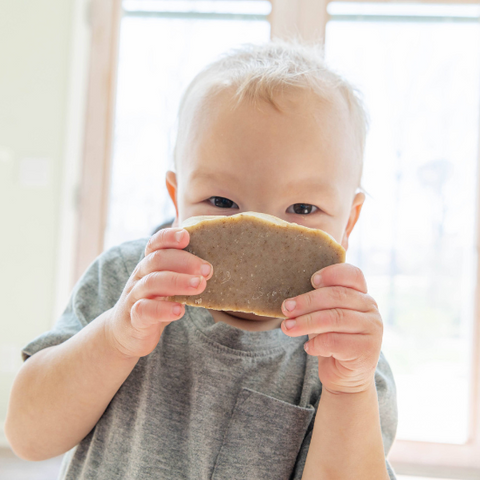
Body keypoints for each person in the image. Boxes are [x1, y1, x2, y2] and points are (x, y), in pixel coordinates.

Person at [5, 39, 397, 479]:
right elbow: (27, 436)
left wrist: (347, 391)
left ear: (350, 220)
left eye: (303, 210)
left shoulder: (344, 350)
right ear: (177, 199)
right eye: (221, 200)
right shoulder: (127, 283)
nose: (257, 238)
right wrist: (115, 339)